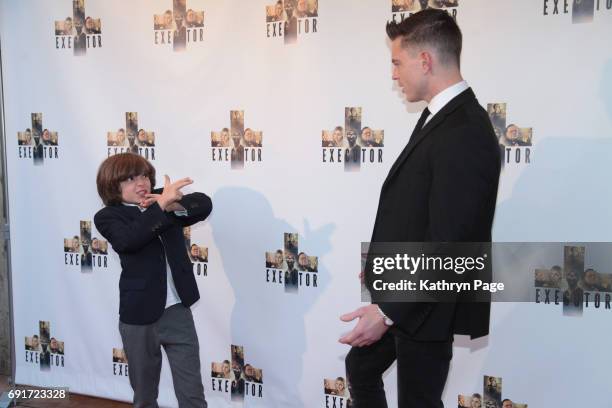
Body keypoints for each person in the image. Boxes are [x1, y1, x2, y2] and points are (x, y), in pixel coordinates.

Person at [340, 10, 501, 408]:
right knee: (361, 367)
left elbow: (449, 243)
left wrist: (389, 312)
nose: (394, 74)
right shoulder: (441, 116)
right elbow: (422, 206)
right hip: (412, 295)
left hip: (427, 307)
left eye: (397, 62)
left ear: (424, 60)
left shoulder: (464, 130)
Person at [94, 153, 211, 408]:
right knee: (145, 397)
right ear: (113, 186)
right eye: (130, 178)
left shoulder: (162, 199)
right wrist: (160, 208)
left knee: (192, 394)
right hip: (138, 318)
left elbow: (203, 204)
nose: (141, 183)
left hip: (178, 311)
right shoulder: (108, 217)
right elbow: (129, 240)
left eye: (145, 175)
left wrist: (173, 205)